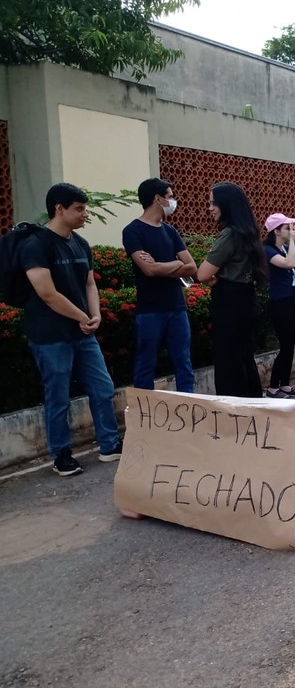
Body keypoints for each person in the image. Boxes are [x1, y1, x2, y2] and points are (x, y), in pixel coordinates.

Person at [20, 183, 123, 476]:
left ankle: (109, 444)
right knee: (58, 397)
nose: (84, 214)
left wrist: (95, 314)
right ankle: (62, 455)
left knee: (102, 389)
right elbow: (46, 293)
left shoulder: (80, 244)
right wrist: (83, 316)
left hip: (83, 333)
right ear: (59, 209)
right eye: (79, 209)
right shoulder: (36, 244)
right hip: (50, 336)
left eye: (85, 208)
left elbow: (90, 284)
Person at [122, 178, 198, 393]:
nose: (173, 201)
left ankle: (188, 405)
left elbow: (191, 266)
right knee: (146, 364)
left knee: (184, 363)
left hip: (176, 306)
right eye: (170, 196)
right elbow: (149, 270)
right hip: (150, 309)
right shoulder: (133, 231)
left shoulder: (170, 231)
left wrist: (166, 265)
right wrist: (175, 264)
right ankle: (144, 413)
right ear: (157, 199)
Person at [197, 182, 268, 398]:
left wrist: (210, 277)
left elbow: (202, 274)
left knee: (228, 360)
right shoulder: (247, 233)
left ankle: (233, 413)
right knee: (244, 357)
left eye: (213, 203)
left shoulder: (229, 234)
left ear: (226, 205)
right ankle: (253, 405)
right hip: (246, 298)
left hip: (229, 302)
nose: (210, 208)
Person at [263, 212, 295, 398]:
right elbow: (289, 264)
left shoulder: (282, 248)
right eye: (287, 228)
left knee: (290, 344)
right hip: (279, 302)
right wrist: (292, 241)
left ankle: (285, 384)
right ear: (276, 231)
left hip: (290, 300)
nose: (291, 230)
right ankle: (273, 387)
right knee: (285, 345)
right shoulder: (268, 250)